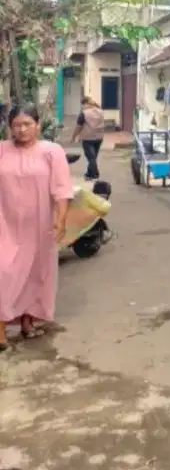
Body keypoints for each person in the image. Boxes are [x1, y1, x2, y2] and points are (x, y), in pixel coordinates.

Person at [0, 104, 74, 352]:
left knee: (35, 272)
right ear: (9, 127)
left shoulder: (51, 152)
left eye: (27, 124)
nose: (22, 130)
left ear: (38, 125)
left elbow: (62, 188)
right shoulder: (1, 151)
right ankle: (0, 330)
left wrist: (61, 219)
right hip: (5, 223)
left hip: (39, 225)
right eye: (16, 125)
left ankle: (27, 321)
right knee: (5, 272)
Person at [70, 96, 104, 180]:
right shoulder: (100, 111)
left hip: (88, 138)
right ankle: (89, 173)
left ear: (85, 104)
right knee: (93, 157)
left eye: (82, 105)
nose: (81, 107)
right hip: (99, 137)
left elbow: (78, 127)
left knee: (91, 157)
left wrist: (73, 137)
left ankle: (95, 174)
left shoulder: (84, 113)